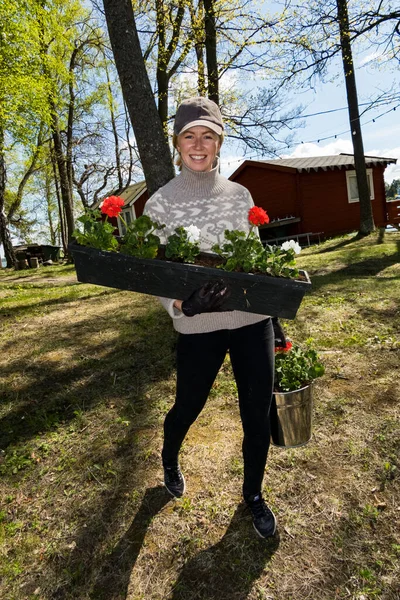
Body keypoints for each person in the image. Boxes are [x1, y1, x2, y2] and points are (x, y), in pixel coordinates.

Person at [143, 97, 276, 539]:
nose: (198, 144)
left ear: (219, 142)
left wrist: (274, 321)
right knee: (188, 406)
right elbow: (153, 274)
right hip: (197, 326)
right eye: (189, 135)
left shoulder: (241, 196)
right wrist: (180, 305)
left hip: (249, 322)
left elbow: (256, 262)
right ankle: (169, 457)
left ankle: (253, 496)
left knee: (256, 413)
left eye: (208, 135)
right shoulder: (160, 204)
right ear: (177, 143)